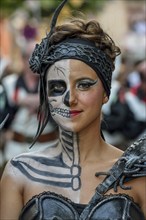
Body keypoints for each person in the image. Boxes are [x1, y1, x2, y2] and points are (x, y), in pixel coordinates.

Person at [0, 0, 146, 219]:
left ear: (106, 92)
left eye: (84, 84)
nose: (69, 99)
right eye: (57, 87)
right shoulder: (19, 172)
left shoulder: (136, 174)